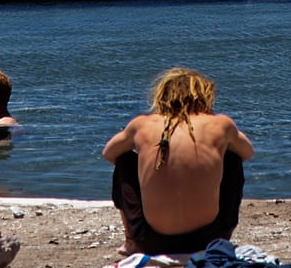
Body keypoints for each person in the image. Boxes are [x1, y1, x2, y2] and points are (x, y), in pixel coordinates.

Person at [102, 67, 252, 256]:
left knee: (124, 160)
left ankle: (131, 242)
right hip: (209, 239)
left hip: (151, 242)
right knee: (232, 157)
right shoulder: (220, 124)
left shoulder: (141, 125)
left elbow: (109, 153)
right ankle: (224, 237)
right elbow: (247, 152)